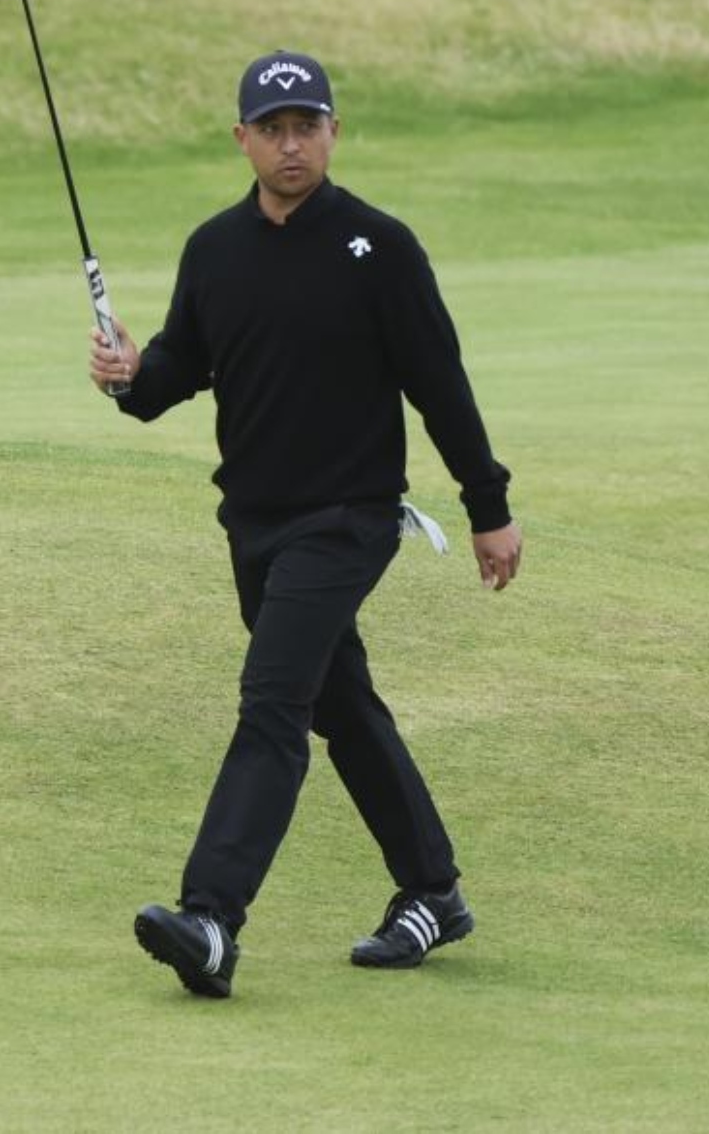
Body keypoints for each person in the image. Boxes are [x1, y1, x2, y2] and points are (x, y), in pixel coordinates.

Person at [89, 49, 522, 998]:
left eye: (308, 127)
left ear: (333, 132)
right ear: (242, 139)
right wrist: (129, 376)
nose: (292, 145)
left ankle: (210, 919)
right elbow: (176, 374)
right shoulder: (215, 250)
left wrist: (487, 508)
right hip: (254, 524)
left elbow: (440, 385)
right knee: (342, 708)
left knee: (273, 703)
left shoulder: (379, 246)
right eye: (273, 129)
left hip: (348, 520)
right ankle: (433, 893)